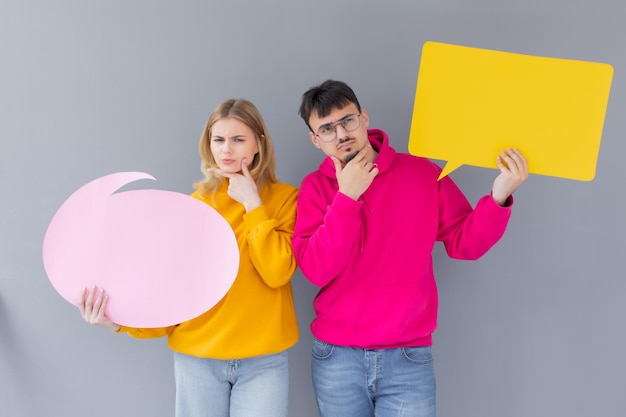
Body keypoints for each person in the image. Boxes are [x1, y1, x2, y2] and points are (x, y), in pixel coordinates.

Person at [292, 79, 528, 417]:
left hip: (407, 357)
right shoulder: (315, 188)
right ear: (315, 140)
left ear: (364, 118)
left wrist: (499, 195)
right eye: (327, 129)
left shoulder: (421, 173)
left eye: (347, 120)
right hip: (337, 357)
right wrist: (346, 198)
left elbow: (465, 242)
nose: (341, 134)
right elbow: (316, 270)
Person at [78, 99, 299, 417]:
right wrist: (118, 324)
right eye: (218, 139)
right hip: (198, 360)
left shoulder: (285, 200)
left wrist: (253, 204)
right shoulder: (193, 207)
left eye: (238, 139)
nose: (227, 150)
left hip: (264, 362)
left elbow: (277, 272)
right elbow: (171, 296)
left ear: (258, 143)